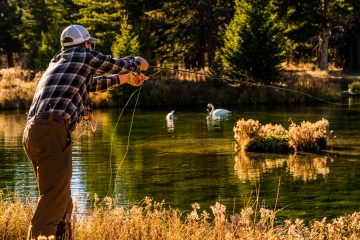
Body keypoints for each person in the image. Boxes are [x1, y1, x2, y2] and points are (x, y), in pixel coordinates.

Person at [22, 24, 149, 240]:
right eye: (90, 44)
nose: (91, 47)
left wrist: (127, 79)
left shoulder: (58, 62)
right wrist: (137, 63)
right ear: (84, 44)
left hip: (34, 133)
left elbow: (90, 84)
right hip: (52, 131)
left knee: (61, 200)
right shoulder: (82, 55)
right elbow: (111, 64)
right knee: (53, 200)